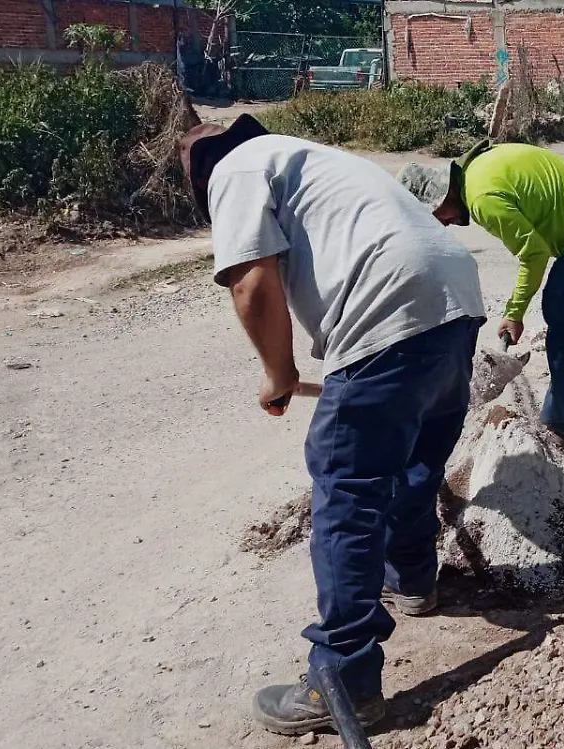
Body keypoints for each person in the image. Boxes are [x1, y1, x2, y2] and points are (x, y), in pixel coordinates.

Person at [178, 115, 486, 736]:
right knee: (416, 461)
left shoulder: (234, 170)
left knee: (348, 493)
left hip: (387, 309)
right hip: (455, 298)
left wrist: (278, 371)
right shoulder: (311, 158)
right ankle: (414, 583)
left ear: (205, 168)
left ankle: (344, 682)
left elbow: (250, 282)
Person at [398, 141, 564, 448]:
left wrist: (514, 312)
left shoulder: (483, 200)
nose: (443, 223)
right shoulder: (477, 168)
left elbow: (534, 254)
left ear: (443, 196)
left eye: (435, 215)